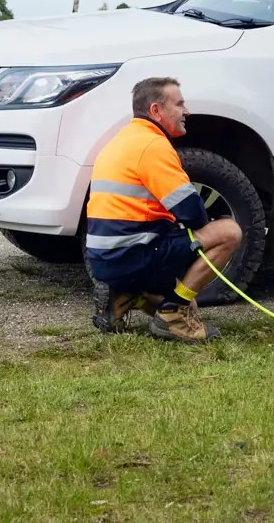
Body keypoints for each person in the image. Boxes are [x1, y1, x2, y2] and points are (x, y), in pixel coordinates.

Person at [85, 76, 244, 344]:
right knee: (228, 232)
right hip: (134, 255)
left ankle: (124, 296)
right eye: (179, 104)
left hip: (105, 259)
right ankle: (173, 316)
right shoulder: (153, 146)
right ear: (156, 110)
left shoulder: (121, 140)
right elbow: (193, 214)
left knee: (187, 295)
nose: (187, 111)